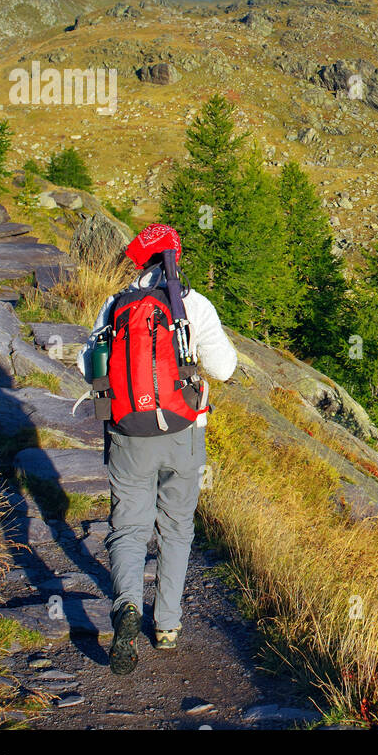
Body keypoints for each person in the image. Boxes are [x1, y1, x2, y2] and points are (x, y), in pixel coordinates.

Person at [78, 223, 238, 676]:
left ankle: (126, 605)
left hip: (129, 432)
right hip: (185, 431)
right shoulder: (193, 304)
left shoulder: (115, 305)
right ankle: (167, 625)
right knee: (176, 527)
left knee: (127, 528)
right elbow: (224, 369)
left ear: (138, 260)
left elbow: (86, 363)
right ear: (174, 257)